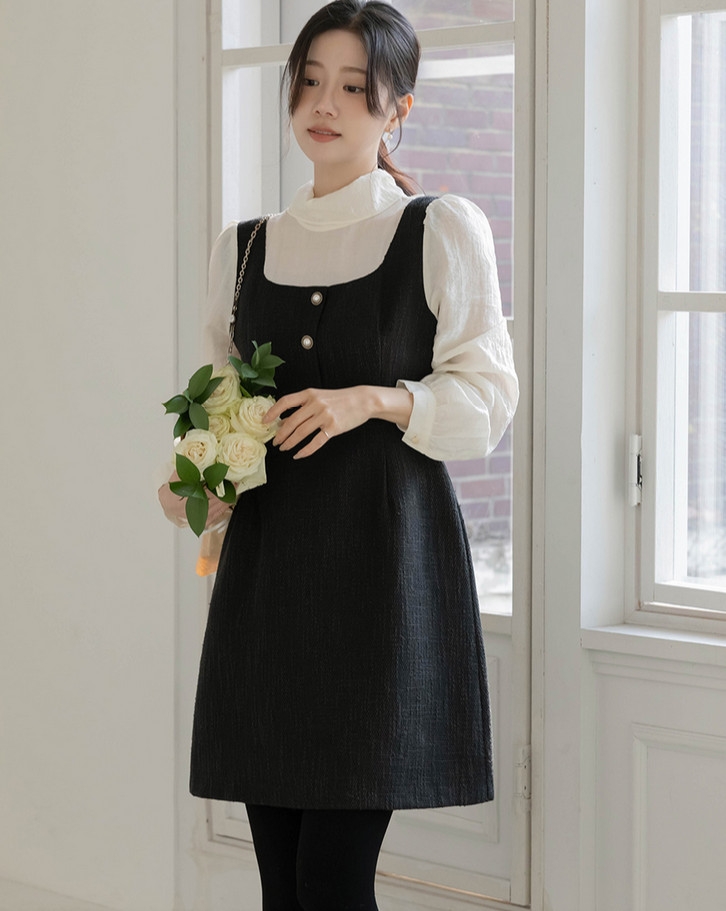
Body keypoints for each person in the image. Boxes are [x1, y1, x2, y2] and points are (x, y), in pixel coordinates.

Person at [159, 1, 519, 908]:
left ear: (399, 108)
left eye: (356, 88)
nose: (326, 104)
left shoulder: (439, 228)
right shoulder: (245, 249)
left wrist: (374, 399)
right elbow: (222, 406)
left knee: (333, 874)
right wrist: (196, 481)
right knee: (282, 878)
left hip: (383, 579)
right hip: (269, 582)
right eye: (311, 81)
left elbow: (488, 400)